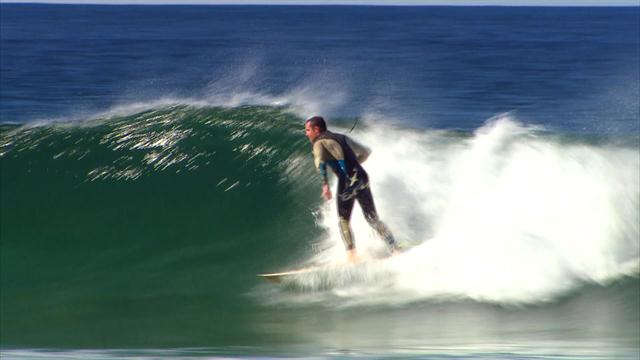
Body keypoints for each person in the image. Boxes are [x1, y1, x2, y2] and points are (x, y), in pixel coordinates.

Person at [304, 116, 401, 262]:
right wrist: (354, 166)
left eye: (308, 130)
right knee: (373, 219)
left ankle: (352, 256)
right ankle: (394, 248)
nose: (306, 134)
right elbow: (366, 152)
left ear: (316, 129)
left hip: (346, 184)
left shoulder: (318, 143)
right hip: (362, 178)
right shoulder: (343, 138)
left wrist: (325, 185)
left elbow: (320, 163)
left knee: (343, 220)